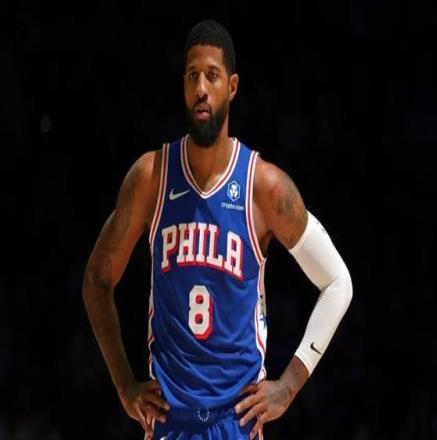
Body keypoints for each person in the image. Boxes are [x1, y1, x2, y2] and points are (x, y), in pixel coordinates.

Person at [82, 19, 353, 440]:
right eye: (192, 76)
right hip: (170, 418)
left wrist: (288, 386)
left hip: (237, 420)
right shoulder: (152, 177)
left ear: (233, 86)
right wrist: (124, 385)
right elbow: (96, 280)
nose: (201, 88)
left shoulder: (264, 187)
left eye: (212, 75)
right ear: (183, 86)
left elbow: (338, 281)